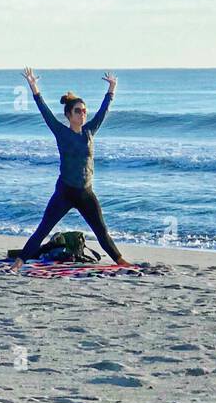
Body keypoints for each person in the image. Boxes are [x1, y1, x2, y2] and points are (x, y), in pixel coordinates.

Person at [17, 67, 131, 265]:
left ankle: (121, 261)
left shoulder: (89, 131)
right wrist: (33, 86)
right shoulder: (61, 132)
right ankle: (18, 262)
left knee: (102, 232)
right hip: (65, 192)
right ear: (69, 115)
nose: (83, 114)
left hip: (86, 193)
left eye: (84, 111)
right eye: (78, 111)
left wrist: (112, 89)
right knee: (43, 229)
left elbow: (104, 112)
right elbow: (44, 111)